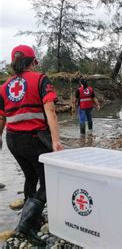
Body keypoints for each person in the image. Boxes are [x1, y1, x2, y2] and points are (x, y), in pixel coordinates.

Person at [0, 45, 64, 245]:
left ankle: (33, 219)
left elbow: (1, 117)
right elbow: (50, 110)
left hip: (12, 140)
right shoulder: (40, 79)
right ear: (32, 62)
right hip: (34, 139)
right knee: (48, 184)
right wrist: (56, 141)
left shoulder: (4, 86)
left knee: (31, 176)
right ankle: (25, 227)